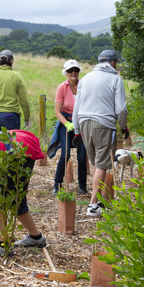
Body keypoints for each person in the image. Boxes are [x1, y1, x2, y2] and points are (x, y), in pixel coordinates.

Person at [73, 50, 129, 217]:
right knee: (103, 164)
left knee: (97, 164)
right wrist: (124, 127)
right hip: (103, 123)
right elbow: (121, 109)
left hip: (84, 122)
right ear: (112, 63)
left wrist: (77, 130)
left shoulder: (85, 79)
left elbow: (77, 107)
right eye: (116, 63)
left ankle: (100, 202)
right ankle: (93, 205)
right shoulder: (115, 79)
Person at [47, 59, 88, 195]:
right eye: (70, 70)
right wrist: (67, 123)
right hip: (67, 123)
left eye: (75, 70)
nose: (73, 73)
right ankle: (57, 185)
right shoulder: (61, 88)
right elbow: (57, 111)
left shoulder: (83, 85)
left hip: (81, 124)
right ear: (66, 73)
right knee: (65, 154)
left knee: (82, 155)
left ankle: (82, 186)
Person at [0, 50, 31, 135]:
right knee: (11, 145)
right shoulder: (17, 76)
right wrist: (27, 119)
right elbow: (24, 101)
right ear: (12, 61)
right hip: (10, 116)